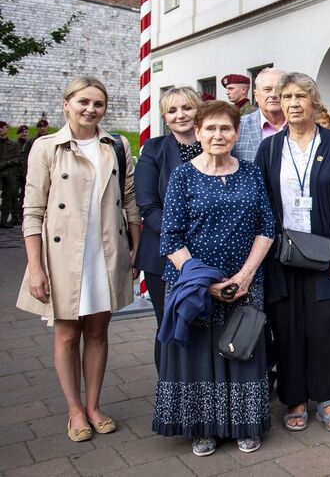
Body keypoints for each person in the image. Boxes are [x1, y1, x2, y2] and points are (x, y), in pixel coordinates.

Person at [17, 77, 141, 442]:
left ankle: (94, 405)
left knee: (99, 333)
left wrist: (135, 249)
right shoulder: (46, 147)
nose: (90, 109)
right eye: (83, 102)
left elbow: (130, 201)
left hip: (106, 251)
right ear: (66, 103)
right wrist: (36, 267)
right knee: (68, 334)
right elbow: (32, 210)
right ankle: (74, 411)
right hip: (62, 255)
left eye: (98, 104)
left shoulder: (116, 145)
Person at [153, 100, 275, 456]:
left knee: (243, 349)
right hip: (193, 283)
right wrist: (206, 283)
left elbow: (267, 227)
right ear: (199, 132)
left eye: (225, 128)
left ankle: (244, 425)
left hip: (245, 280)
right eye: (210, 128)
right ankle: (202, 428)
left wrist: (245, 276)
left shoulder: (251, 172)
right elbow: (170, 238)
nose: (218, 135)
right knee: (198, 354)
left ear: (237, 133)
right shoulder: (183, 175)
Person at [255, 73, 330, 433]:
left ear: (314, 101)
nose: (294, 103)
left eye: (301, 96)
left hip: (324, 251)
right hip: (281, 255)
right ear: (279, 104)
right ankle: (295, 397)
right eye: (287, 97)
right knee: (286, 327)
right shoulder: (269, 149)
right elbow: (262, 203)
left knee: (325, 324)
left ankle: (327, 397)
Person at [134, 87, 204, 371]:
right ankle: (170, 391)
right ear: (164, 117)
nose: (180, 115)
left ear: (198, 110)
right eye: (172, 110)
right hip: (163, 254)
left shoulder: (214, 141)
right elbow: (148, 204)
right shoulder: (154, 149)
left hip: (208, 251)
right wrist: (178, 240)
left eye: (186, 108)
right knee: (170, 323)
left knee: (204, 325)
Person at [234, 68, 287, 162]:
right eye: (267, 89)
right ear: (256, 95)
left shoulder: (301, 126)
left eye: (279, 89)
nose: (273, 95)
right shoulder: (238, 126)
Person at [12, 125, 30, 225]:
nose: (24, 134)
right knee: (14, 195)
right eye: (22, 132)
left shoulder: (30, 143)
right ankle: (15, 217)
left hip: (27, 173)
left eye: (26, 132)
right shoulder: (14, 144)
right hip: (16, 174)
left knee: (26, 196)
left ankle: (23, 216)